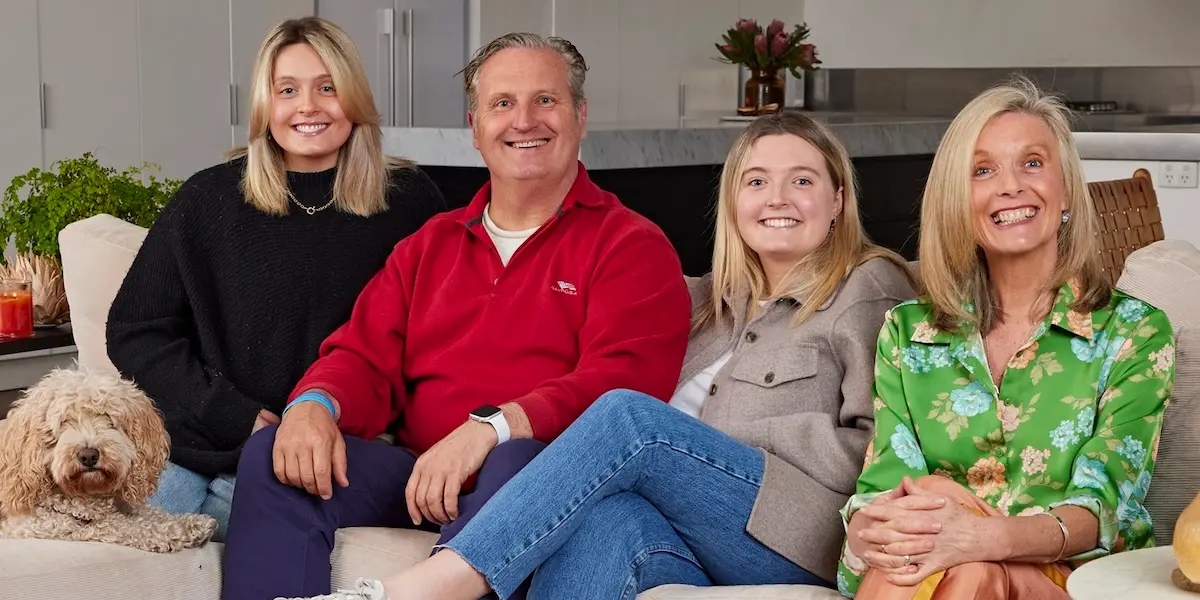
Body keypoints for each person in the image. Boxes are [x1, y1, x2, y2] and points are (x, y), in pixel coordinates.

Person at [286, 109, 920, 600]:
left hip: (792, 522)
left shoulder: (870, 287)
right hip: (686, 521)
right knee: (599, 521)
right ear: (734, 202)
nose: (777, 198)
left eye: (802, 181)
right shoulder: (702, 299)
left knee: (631, 416)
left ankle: (435, 584)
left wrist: (711, 446)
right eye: (757, 181)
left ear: (838, 200)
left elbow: (882, 445)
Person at [219, 32, 693, 600]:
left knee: (515, 460)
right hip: (420, 476)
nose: (524, 120)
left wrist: (490, 429)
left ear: (580, 116)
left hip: (532, 478)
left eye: (546, 100)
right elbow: (363, 354)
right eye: (501, 104)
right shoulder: (430, 245)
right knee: (275, 454)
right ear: (475, 126)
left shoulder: (630, 244)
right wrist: (315, 403)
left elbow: (622, 384)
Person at [105, 16, 446, 542]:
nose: (307, 106)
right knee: (127, 551)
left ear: (353, 96)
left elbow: (436, 340)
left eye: (327, 88)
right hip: (197, 445)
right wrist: (234, 415)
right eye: (287, 90)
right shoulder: (208, 199)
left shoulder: (408, 201)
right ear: (266, 105)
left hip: (326, 455)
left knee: (250, 528)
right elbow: (135, 328)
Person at [835, 78, 1177, 599]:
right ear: (959, 201)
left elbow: (1103, 507)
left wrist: (978, 537)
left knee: (959, 546)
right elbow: (883, 487)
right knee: (934, 515)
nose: (1011, 185)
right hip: (932, 570)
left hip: (1072, 577)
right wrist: (871, 532)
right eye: (983, 170)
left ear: (1065, 189)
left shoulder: (1135, 333)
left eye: (1033, 163)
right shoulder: (907, 333)